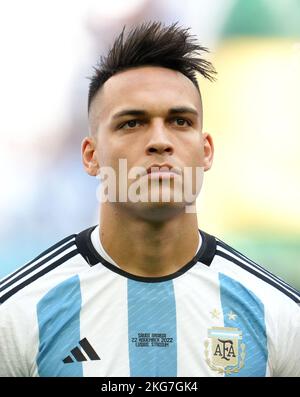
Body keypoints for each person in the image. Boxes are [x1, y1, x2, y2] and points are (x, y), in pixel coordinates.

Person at [0, 22, 299, 378]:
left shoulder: (279, 315)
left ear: (205, 151)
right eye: (132, 123)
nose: (160, 140)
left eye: (179, 121)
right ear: (90, 155)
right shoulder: (17, 315)